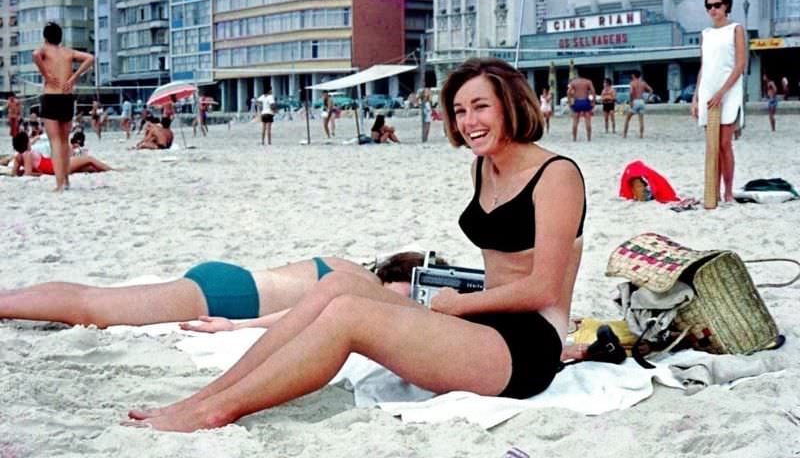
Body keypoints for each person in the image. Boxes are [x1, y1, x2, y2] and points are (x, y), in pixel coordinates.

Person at [124, 57, 585, 433]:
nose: (469, 122)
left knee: (349, 315)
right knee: (338, 285)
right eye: (460, 110)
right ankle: (207, 395)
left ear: (510, 105)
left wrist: (460, 306)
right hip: (483, 321)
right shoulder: (484, 167)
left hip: (526, 348)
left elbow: (543, 288)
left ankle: (218, 411)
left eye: (481, 107)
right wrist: (460, 305)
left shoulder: (556, 175)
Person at [0, 252, 435, 331]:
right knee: (91, 307)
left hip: (232, 281)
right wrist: (237, 326)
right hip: (231, 297)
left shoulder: (348, 265)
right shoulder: (360, 284)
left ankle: (11, 297)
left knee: (95, 296)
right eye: (412, 289)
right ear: (399, 276)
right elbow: (310, 312)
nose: (411, 299)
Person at [692, 0, 746, 203]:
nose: (712, 10)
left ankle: (728, 191)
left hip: (729, 90)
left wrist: (722, 92)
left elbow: (741, 64)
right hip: (708, 90)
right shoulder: (705, 34)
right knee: (711, 144)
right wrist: (696, 97)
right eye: (708, 6)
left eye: (716, 5)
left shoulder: (736, 29)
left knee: (724, 143)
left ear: (726, 6)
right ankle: (712, 191)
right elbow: (704, 67)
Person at [32, 22, 94, 191]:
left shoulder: (45, 50)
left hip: (51, 96)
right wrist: (74, 77)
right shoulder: (67, 52)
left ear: (46, 37)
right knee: (64, 141)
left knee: (55, 142)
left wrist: (46, 74)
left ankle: (59, 183)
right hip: (67, 97)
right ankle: (66, 180)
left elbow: (35, 54)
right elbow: (90, 58)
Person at [11, 131, 111, 177]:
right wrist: (40, 174)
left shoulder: (18, 156)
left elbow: (14, 173)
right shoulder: (27, 154)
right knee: (89, 159)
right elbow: (28, 174)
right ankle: (113, 170)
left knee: (88, 167)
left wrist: (22, 172)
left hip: (55, 167)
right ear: (26, 142)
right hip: (57, 166)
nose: (30, 142)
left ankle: (106, 170)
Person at [623, 71, 653, 139]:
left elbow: (631, 93)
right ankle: (641, 135)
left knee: (627, 119)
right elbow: (651, 90)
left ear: (634, 75)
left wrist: (630, 101)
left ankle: (625, 135)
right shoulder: (643, 83)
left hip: (635, 101)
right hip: (642, 101)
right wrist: (647, 99)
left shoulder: (632, 83)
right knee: (641, 120)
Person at [567, 73, 595, 141]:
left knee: (575, 121)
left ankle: (574, 138)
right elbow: (593, 91)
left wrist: (570, 101)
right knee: (588, 120)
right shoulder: (588, 81)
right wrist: (593, 101)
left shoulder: (574, 82)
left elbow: (568, 92)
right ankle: (589, 138)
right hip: (585, 101)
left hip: (577, 101)